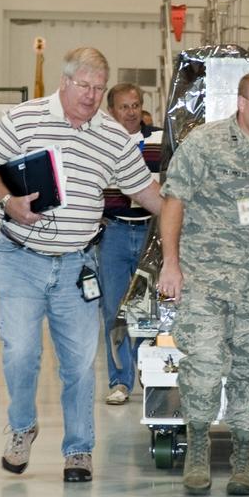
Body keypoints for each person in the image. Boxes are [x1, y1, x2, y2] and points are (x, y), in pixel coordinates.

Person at [0, 48, 162, 482]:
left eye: (99, 89)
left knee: (77, 364)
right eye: (85, 86)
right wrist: (7, 201)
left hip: (78, 264)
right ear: (65, 81)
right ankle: (22, 428)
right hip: (21, 257)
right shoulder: (25, 118)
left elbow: (147, 193)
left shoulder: (111, 134)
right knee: (20, 353)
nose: (92, 96)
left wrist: (185, 218)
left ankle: (78, 450)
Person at [158, 70, 249, 496]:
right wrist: (170, 264)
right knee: (203, 368)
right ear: (241, 102)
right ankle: (197, 448)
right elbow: (173, 202)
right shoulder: (204, 143)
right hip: (205, 282)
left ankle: (244, 459)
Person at [100, 82, 162, 405]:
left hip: (151, 233)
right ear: (111, 111)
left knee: (148, 309)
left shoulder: (159, 140)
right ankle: (120, 380)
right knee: (113, 309)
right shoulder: (100, 144)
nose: (131, 111)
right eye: (124, 106)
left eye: (136, 105)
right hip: (114, 233)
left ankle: (149, 374)